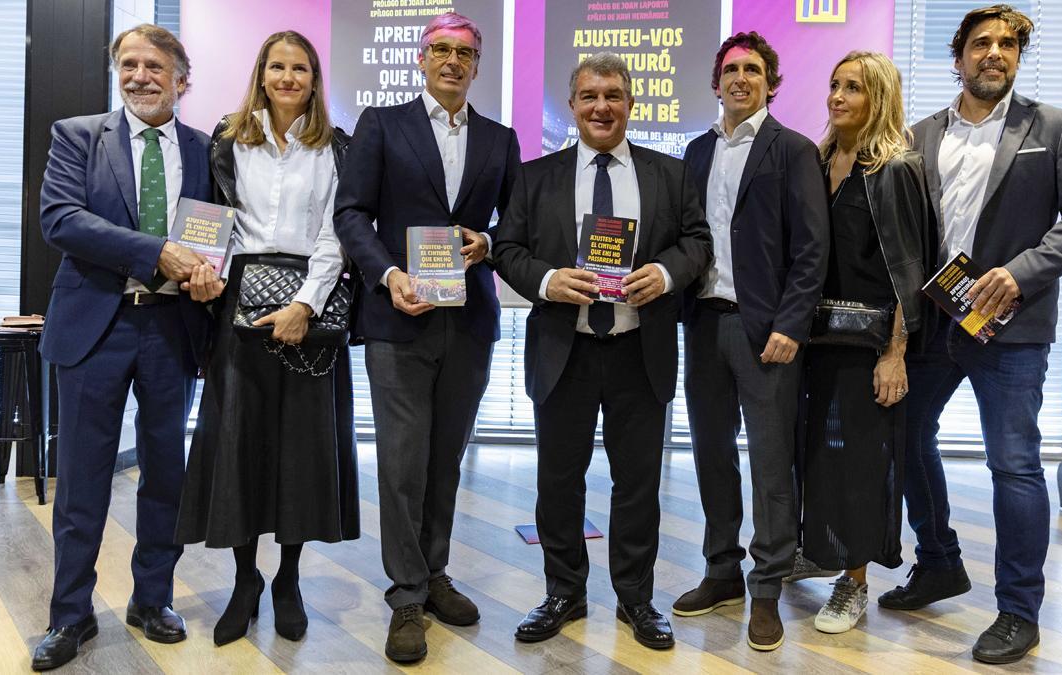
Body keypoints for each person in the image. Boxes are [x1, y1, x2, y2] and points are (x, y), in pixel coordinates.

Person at [877, 5, 1062, 664]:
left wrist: (1021, 270)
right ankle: (939, 562)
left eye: (1007, 45)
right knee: (904, 439)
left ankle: (1018, 611)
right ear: (958, 58)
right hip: (932, 325)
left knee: (1013, 464)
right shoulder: (920, 135)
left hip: (1010, 329)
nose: (995, 53)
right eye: (981, 43)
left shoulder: (1053, 128)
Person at [494, 52, 713, 651]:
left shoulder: (669, 175)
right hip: (564, 349)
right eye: (590, 96)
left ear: (630, 104)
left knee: (637, 483)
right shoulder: (536, 176)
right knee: (558, 481)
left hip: (638, 349)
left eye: (613, 95)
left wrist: (665, 275)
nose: (602, 107)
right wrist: (545, 281)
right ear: (572, 106)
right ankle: (564, 592)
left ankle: (635, 599)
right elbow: (505, 248)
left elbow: (697, 242)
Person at [333, 11, 521, 664]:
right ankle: (407, 593)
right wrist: (386, 275)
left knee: (446, 459)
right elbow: (351, 212)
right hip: (399, 317)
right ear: (421, 58)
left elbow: (516, 226)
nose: (451, 61)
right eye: (439, 49)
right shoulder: (381, 125)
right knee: (403, 462)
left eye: (463, 53)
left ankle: (435, 571)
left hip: (469, 322)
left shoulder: (500, 139)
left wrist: (490, 241)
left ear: (477, 64)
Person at [32, 24, 217, 671]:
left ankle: (152, 599)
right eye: (128, 64)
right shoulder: (78, 136)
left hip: (172, 330)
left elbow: (213, 233)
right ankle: (70, 615)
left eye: (154, 65)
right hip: (94, 329)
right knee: (82, 478)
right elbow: (60, 217)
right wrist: (155, 250)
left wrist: (207, 269)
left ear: (180, 78)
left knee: (165, 474)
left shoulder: (203, 149)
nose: (139, 75)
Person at [173, 30, 359, 646]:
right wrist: (204, 274)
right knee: (241, 446)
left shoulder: (336, 146)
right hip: (239, 305)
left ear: (314, 78)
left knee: (304, 452)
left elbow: (337, 235)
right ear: (262, 72)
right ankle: (245, 579)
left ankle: (289, 581)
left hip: (312, 301)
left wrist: (304, 304)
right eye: (277, 67)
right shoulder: (227, 141)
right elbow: (211, 222)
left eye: (300, 68)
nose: (288, 78)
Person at [671, 32, 829, 652]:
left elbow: (813, 250)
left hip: (765, 331)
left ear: (771, 83)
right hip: (703, 323)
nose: (741, 78)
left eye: (753, 70)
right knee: (711, 455)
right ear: (716, 82)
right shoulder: (695, 151)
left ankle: (766, 588)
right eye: (731, 69)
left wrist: (791, 325)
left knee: (769, 465)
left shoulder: (791, 151)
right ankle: (721, 572)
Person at [802, 51, 935, 635]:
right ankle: (823, 553)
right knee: (816, 459)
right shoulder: (817, 159)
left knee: (858, 465)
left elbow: (912, 267)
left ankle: (853, 582)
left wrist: (895, 352)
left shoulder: (896, 167)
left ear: (877, 97)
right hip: (812, 341)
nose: (837, 96)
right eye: (834, 85)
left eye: (852, 87)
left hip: (868, 347)